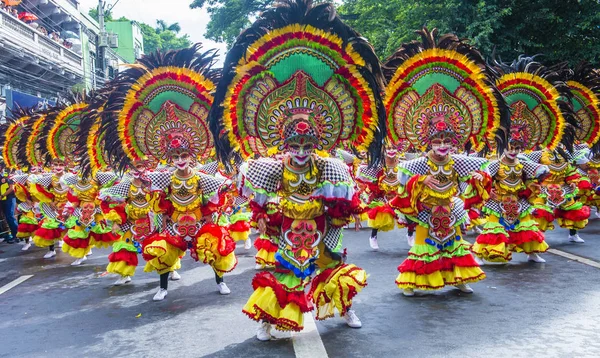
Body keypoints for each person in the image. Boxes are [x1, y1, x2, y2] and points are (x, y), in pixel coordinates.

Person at [209, 0, 387, 340]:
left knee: (332, 267)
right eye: (295, 146)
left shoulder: (330, 167)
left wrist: (336, 216)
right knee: (284, 273)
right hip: (288, 225)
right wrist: (266, 215)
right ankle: (267, 321)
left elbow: (344, 204)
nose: (302, 152)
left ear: (318, 144)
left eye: (308, 146)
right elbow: (258, 199)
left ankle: (346, 310)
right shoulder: (271, 168)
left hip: (319, 223)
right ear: (284, 143)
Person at [384, 28, 509, 296]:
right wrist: (418, 180)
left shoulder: (458, 160)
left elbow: (482, 169)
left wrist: (479, 179)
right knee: (424, 247)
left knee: (454, 245)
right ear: (428, 142)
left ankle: (459, 278)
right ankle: (413, 282)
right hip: (426, 212)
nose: (442, 147)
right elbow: (398, 182)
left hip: (449, 209)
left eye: (446, 143)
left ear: (453, 142)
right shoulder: (417, 163)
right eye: (437, 143)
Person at [1, 168, 18, 244]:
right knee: (7, 217)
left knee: (10, 216)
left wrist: (3, 195)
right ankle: (12, 235)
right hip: (3, 200)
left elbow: (12, 188)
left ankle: (17, 236)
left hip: (10, 199)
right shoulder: (1, 176)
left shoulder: (8, 175)